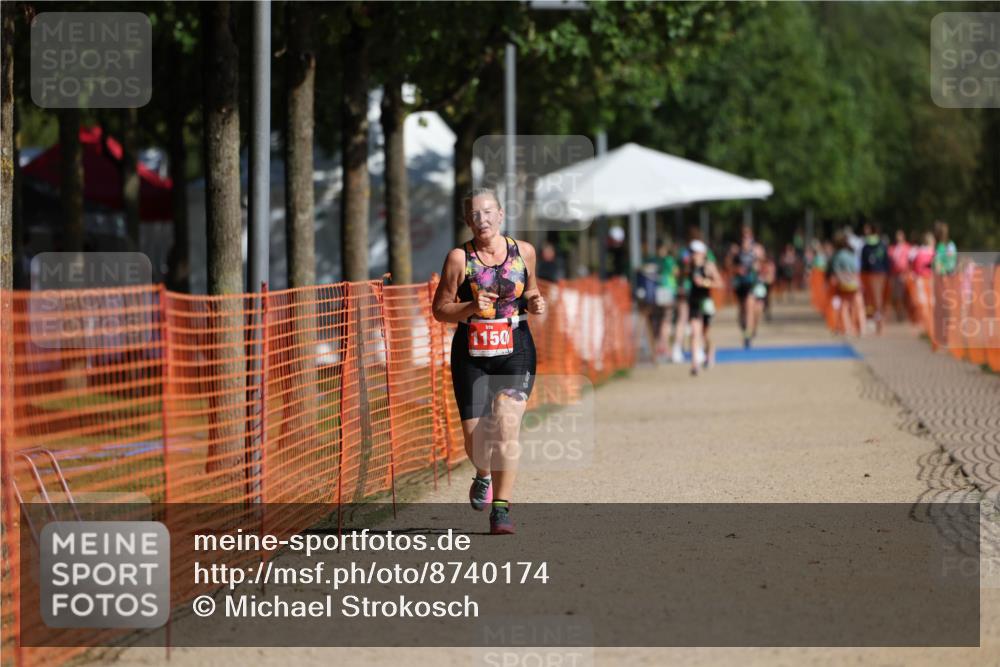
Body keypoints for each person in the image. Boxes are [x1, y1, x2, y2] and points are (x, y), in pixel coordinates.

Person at [432, 188, 546, 535]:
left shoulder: (523, 251)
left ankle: (501, 509)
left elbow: (530, 290)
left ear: (501, 214)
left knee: (506, 421)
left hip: (515, 346)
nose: (482, 220)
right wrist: (470, 306)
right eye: (475, 215)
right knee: (478, 443)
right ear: (468, 221)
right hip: (472, 350)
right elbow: (440, 309)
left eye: (488, 212)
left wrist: (537, 301)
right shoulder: (458, 258)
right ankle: (483, 474)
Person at [686, 240, 722, 377]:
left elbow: (719, 283)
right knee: (695, 333)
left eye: (695, 252)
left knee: (705, 334)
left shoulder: (709, 266)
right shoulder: (688, 266)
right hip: (693, 302)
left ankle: (710, 353)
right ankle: (694, 364)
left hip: (706, 302)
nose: (693, 254)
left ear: (702, 253)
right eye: (692, 252)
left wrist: (705, 282)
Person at [729, 226, 760, 349]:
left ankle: (747, 337)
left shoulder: (756, 250)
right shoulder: (736, 251)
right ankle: (744, 330)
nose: (746, 239)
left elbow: (764, 264)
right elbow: (729, 266)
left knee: (750, 309)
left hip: (751, 284)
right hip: (739, 284)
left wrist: (758, 266)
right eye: (744, 237)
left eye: (748, 237)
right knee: (742, 311)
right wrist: (737, 270)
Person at [830, 231, 865, 336]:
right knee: (858, 306)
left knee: (844, 306)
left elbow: (836, 270)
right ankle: (861, 328)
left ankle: (846, 328)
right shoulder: (852, 254)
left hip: (843, 283)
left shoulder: (837, 255)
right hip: (855, 282)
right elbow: (857, 268)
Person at [859, 223, 889, 334]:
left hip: (870, 274)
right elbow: (886, 261)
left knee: (872, 300)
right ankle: (879, 322)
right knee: (878, 299)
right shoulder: (882, 244)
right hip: (881, 274)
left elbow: (863, 263)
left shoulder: (866, 246)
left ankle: (878, 322)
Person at [888, 229, 911, 322]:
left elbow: (910, 261)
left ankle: (904, 314)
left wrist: (907, 272)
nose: (898, 238)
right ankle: (899, 314)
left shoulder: (907, 247)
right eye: (897, 236)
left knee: (905, 296)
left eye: (900, 235)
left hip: (905, 275)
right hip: (895, 275)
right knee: (897, 296)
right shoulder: (892, 248)